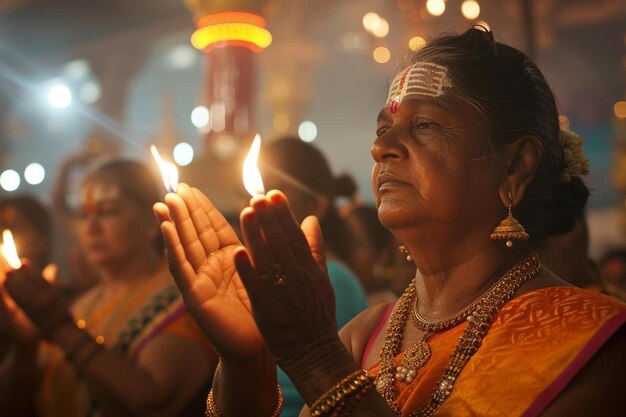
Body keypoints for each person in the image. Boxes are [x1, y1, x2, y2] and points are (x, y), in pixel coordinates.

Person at [154, 28, 626, 417]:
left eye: (425, 126)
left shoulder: (593, 343)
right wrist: (247, 359)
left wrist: (315, 357)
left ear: (515, 166)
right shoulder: (366, 334)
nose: (382, 149)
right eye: (383, 130)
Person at [0, 159, 217, 417]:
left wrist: (59, 327)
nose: (91, 227)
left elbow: (153, 403)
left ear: (150, 223)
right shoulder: (80, 305)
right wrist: (26, 346)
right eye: (83, 215)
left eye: (108, 211)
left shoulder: (186, 300)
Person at [259, 138, 369, 416]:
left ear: (316, 206)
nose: (258, 203)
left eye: (276, 189)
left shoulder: (335, 279)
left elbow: (303, 392)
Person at [343, 205, 400, 305]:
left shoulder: (386, 308)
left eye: (355, 245)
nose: (347, 253)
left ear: (382, 255)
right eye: (344, 243)